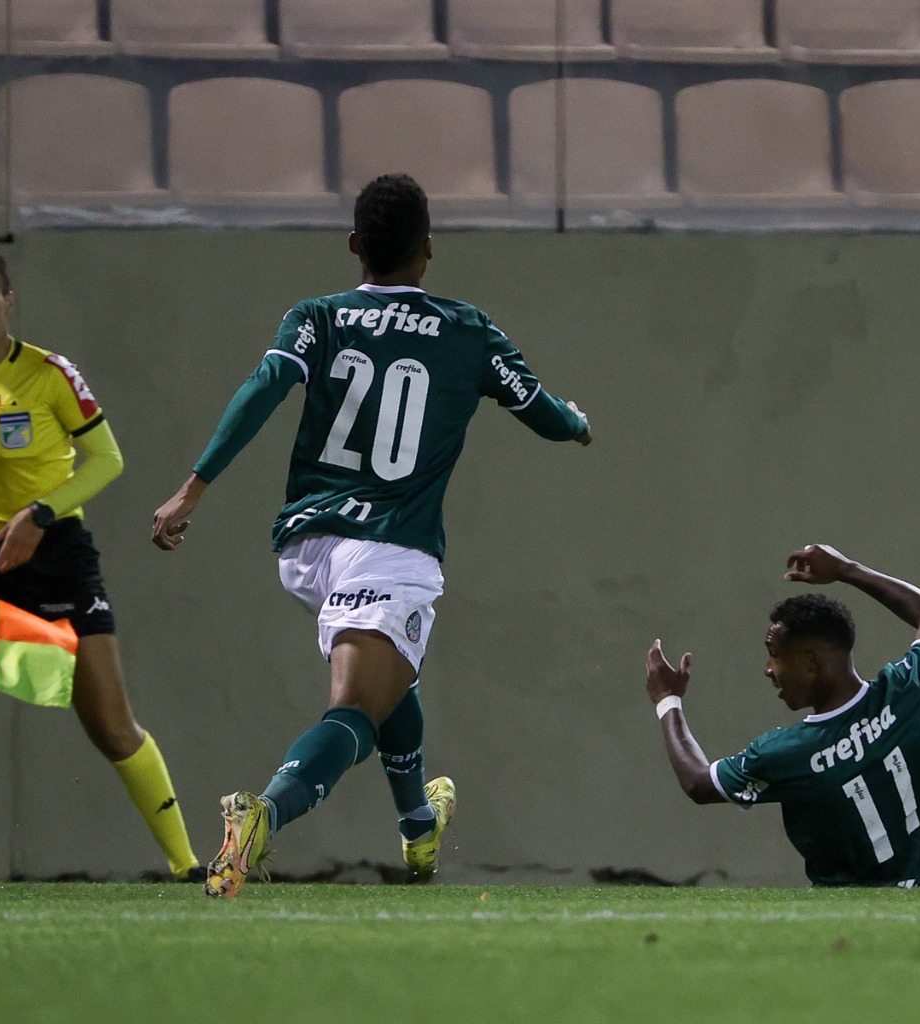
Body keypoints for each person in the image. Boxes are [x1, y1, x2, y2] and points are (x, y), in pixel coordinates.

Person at [152, 173, 592, 898]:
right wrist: (578, 424)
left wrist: (191, 488)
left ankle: (419, 823)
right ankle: (263, 815)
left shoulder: (316, 316)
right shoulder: (466, 328)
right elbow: (543, 413)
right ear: (428, 251)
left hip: (306, 546)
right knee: (357, 706)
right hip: (392, 541)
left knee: (393, 674)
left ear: (355, 245)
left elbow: (264, 387)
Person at [0, 221, 203, 883]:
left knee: (109, 723)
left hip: (56, 553)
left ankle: (189, 865)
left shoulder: (50, 374)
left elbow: (107, 459)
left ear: (7, 300)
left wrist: (40, 515)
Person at [645, 543, 920, 888]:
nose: (768, 669)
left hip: (874, 889)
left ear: (810, 661)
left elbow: (697, 782)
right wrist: (847, 570)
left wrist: (667, 700)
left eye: (774, 653)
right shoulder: (906, 689)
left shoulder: (786, 754)